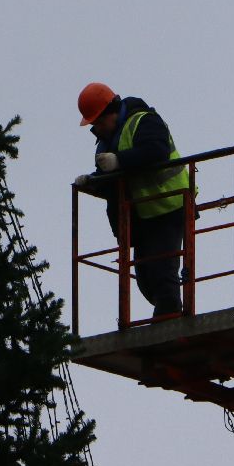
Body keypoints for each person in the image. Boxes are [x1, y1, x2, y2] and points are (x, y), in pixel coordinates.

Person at [74, 82, 191, 318]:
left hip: (170, 206)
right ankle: (168, 316)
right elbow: (115, 180)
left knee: (162, 273)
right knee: (145, 279)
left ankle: (169, 323)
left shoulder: (145, 121)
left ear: (112, 112)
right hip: (143, 216)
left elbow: (156, 151)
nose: (97, 128)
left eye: (98, 122)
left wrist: (120, 161)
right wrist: (94, 181)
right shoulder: (106, 142)